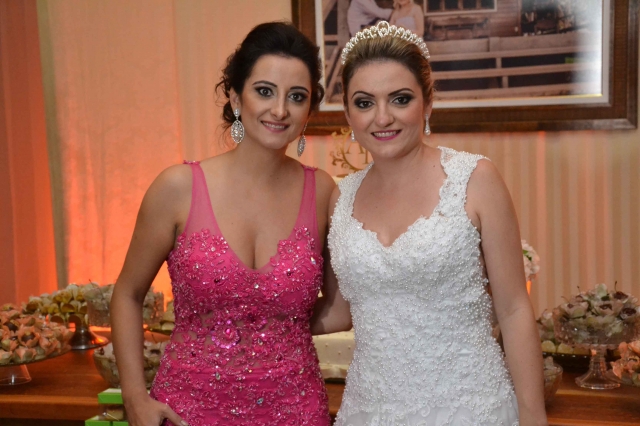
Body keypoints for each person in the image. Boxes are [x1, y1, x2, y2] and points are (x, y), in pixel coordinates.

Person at [315, 21, 548, 426]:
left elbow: (513, 310)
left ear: (427, 103)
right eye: (365, 102)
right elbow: (340, 312)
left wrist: (533, 416)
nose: (382, 117)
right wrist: (253, 318)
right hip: (370, 410)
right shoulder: (341, 197)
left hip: (471, 408)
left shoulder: (475, 179)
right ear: (348, 113)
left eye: (400, 99)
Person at [110, 21, 336, 426]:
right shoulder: (178, 187)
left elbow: (342, 307)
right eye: (264, 91)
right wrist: (134, 398)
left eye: (296, 96)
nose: (279, 110)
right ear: (235, 97)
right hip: (189, 410)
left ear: (308, 111)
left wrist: (279, 326)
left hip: (295, 409)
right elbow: (127, 294)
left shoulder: (322, 192)